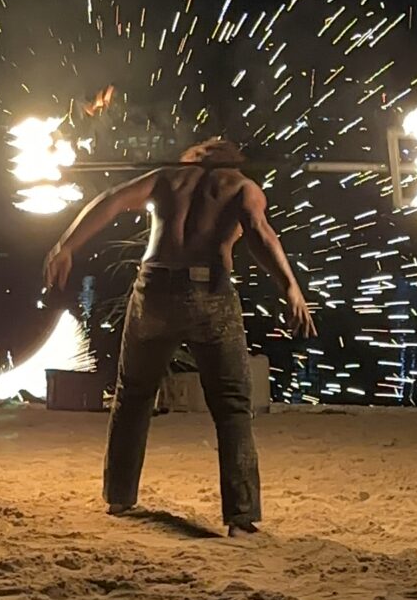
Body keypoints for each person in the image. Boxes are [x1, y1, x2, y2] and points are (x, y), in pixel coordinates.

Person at [43, 137, 316, 537]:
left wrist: (66, 245)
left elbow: (112, 199)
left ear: (194, 156)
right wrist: (290, 286)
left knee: (133, 394)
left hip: (153, 289)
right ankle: (240, 517)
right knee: (233, 405)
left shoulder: (166, 178)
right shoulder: (241, 187)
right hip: (210, 291)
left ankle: (119, 496)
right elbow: (259, 232)